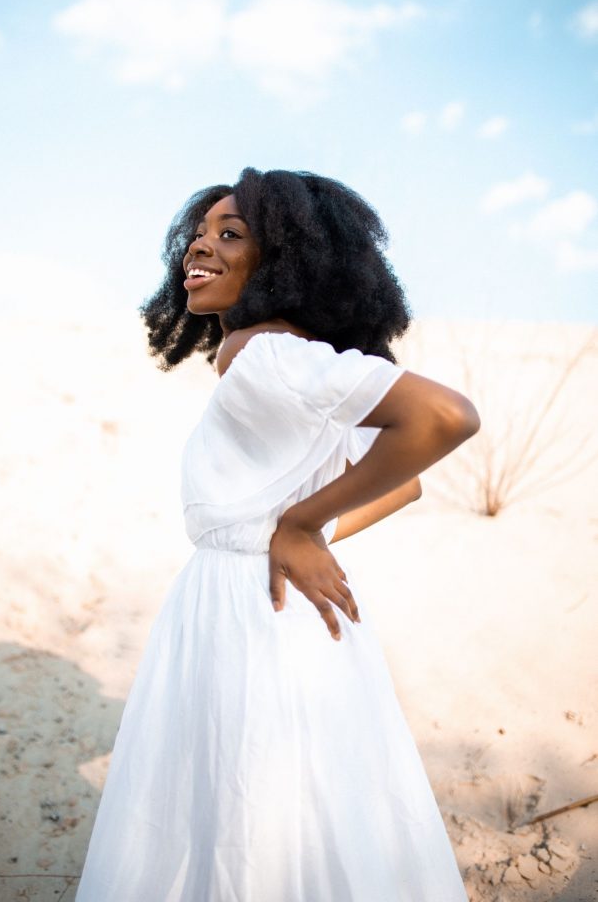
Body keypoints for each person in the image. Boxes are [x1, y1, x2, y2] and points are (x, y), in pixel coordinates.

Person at [75, 167, 480, 901]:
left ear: (285, 262)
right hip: (275, 603)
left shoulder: (263, 355)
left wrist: (296, 525)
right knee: (294, 819)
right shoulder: (292, 360)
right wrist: (305, 531)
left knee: (245, 822)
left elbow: (443, 418)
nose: (200, 249)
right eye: (198, 236)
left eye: (232, 235)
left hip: (250, 613)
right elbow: (404, 482)